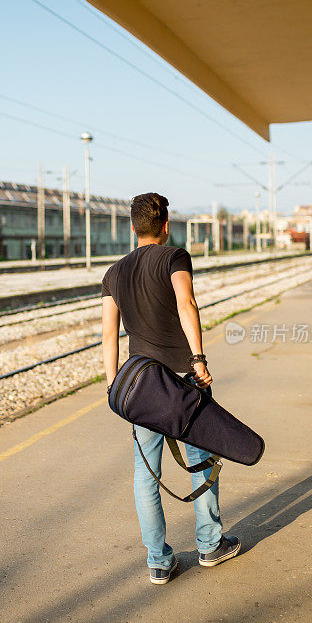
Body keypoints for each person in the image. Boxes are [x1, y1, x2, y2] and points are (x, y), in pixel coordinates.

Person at [101, 193, 241, 585]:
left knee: (146, 473)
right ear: (165, 226)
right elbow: (187, 303)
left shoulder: (113, 272)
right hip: (181, 382)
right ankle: (210, 544)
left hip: (140, 386)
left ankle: (159, 561)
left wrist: (114, 386)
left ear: (132, 227)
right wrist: (198, 358)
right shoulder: (175, 257)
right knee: (201, 459)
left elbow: (109, 334)